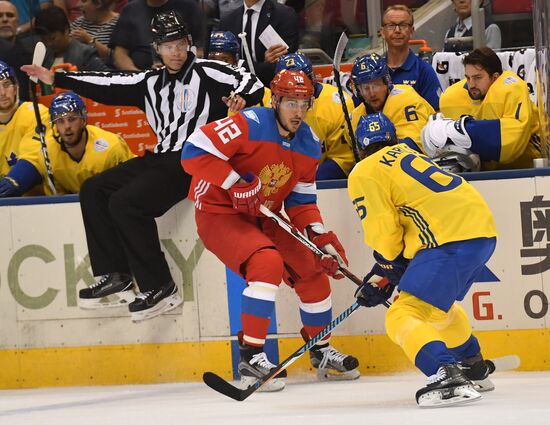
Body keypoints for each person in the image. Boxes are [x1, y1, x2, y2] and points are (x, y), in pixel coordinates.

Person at [22, 10, 264, 320]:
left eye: (179, 44)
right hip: (162, 157)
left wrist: (242, 97)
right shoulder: (150, 81)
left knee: (126, 203)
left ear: (189, 43)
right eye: (167, 46)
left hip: (195, 158)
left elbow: (250, 82)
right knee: (94, 189)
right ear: (157, 50)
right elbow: (106, 83)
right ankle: (115, 274)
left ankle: (160, 285)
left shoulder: (209, 71)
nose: (175, 52)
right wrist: (55, 78)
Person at [181, 69, 360, 391]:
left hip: (267, 215)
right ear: (275, 100)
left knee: (313, 271)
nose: (299, 111)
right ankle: (251, 356)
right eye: (291, 103)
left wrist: (320, 239)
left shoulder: (308, 143)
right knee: (265, 263)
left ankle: (320, 350)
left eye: (305, 103)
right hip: (220, 214)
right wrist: (234, 183)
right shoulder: (248, 122)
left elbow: (302, 201)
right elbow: (193, 151)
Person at [348, 111, 498, 408]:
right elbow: (411, 227)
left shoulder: (364, 170)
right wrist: (385, 274)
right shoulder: (408, 151)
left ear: (361, 148)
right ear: (392, 138)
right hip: (481, 230)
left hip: (448, 238)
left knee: (402, 315)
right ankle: (471, 366)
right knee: (435, 310)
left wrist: (386, 272)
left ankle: (446, 373)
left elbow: (385, 234)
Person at [427, 47, 542, 170]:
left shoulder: (512, 89)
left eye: (477, 78)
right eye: (468, 77)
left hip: (530, 169)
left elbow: (511, 144)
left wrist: (460, 130)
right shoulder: (451, 97)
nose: (471, 84)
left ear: (495, 77)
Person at [0, 91, 134, 197]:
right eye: (60, 121)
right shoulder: (48, 154)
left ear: (83, 120)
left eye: (72, 119)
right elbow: (58, 202)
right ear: (54, 125)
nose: (67, 126)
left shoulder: (111, 147)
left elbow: (133, 186)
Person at [274, 52, 355, 180]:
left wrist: (311, 181)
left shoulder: (337, 104)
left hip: (320, 183)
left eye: (300, 85)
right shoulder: (270, 104)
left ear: (312, 80)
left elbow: (343, 158)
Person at [346, 53, 434, 154]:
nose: (372, 93)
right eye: (365, 88)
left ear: (386, 82)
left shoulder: (406, 99)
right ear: (358, 90)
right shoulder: (354, 119)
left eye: (376, 85)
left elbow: (416, 144)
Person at [219, 0, 299, 86]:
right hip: (235, 91)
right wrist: (263, 65)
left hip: (270, 91)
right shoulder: (228, 20)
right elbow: (222, 67)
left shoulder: (284, 15)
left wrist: (238, 65)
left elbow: (285, 67)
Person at [109, 0, 204, 71]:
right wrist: (141, 77)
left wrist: (175, 70)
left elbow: (199, 51)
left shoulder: (188, 6)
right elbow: (120, 54)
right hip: (139, 77)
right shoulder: (130, 9)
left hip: (181, 73)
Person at [380, 4, 441, 111]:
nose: (397, 30)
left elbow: (435, 114)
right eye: (391, 25)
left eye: (403, 25)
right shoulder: (375, 71)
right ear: (382, 32)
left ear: (412, 31)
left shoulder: (424, 71)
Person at [0, 61, 49, 179]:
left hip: (37, 195)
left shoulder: (36, 113)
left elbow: (34, 159)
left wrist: (13, 182)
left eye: (6, 85)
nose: (2, 93)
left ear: (16, 88)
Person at [208, 30, 272, 107]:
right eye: (212, 59)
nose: (219, 64)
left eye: (224, 60)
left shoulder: (252, 77)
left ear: (236, 60)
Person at [34, 6, 109, 71]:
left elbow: (106, 80)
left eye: (52, 38)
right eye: (44, 40)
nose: (49, 43)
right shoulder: (45, 55)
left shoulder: (85, 53)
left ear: (66, 30)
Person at [0, 1, 40, 101]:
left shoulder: (29, 54)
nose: (5, 19)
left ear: (17, 22)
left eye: (10, 15)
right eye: (0, 16)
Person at [70, 0, 120, 65]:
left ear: (98, 3)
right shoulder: (80, 21)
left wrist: (89, 40)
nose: (78, 5)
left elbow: (117, 58)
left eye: (83, 1)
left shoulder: (119, 23)